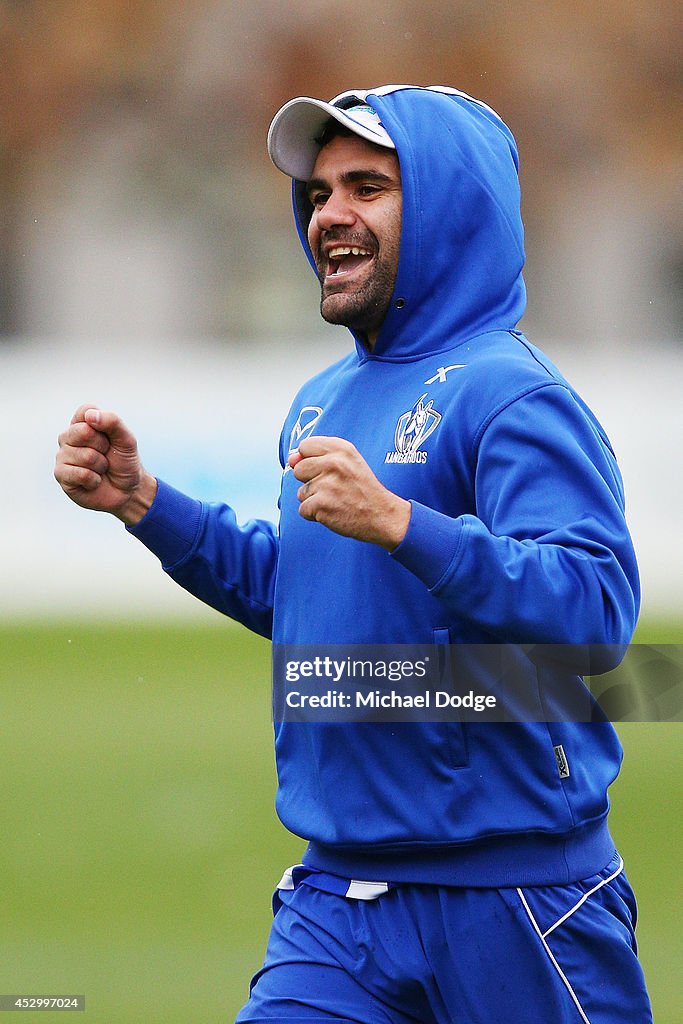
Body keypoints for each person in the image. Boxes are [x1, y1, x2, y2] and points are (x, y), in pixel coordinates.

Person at [55, 86, 653, 1022]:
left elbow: (596, 609)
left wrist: (405, 524)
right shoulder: (320, 398)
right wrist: (144, 504)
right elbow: (305, 594)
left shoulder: (512, 397)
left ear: (452, 208)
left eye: (366, 186)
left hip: (520, 902)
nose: (328, 214)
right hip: (334, 908)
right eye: (319, 192)